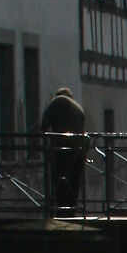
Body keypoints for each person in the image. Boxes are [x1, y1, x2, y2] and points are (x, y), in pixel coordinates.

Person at [40, 84, 87, 215]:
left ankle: (60, 212)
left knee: (60, 180)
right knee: (74, 182)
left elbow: (44, 124)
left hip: (64, 148)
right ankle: (71, 211)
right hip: (80, 149)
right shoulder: (78, 107)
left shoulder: (58, 101)